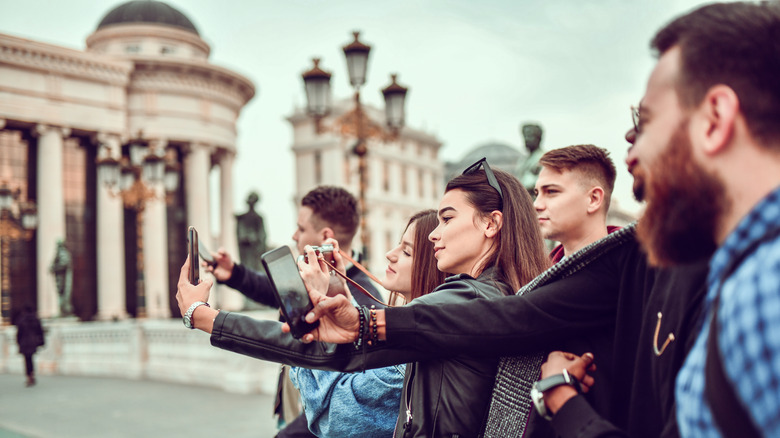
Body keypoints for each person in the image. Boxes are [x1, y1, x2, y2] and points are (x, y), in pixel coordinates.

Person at [177, 158, 551, 437]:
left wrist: (204, 315)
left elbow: (335, 392)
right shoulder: (501, 295)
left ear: (491, 223)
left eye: (447, 219)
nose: (435, 235)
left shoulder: (464, 300)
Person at [205, 185, 383, 437]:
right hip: (293, 415)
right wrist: (234, 273)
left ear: (325, 236)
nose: (294, 236)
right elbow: (271, 290)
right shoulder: (313, 278)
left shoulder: (364, 300)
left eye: (301, 228)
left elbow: (349, 397)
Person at [288, 210, 446, 437]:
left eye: (407, 252)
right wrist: (336, 294)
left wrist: (312, 312)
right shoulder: (414, 329)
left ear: (433, 265)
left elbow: (335, 419)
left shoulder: (407, 354)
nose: (390, 254)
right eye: (398, 246)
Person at [534, 144, 619, 262]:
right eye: (536, 193)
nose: (536, 205)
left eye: (551, 191)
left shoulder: (638, 273)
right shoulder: (542, 274)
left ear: (593, 199)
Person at [15, 306, 44, 387]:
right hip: (32, 342)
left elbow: (19, 334)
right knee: (31, 359)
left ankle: (29, 377)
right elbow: (40, 332)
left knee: (27, 360)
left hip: (24, 343)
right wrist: (41, 342)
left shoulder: (21, 320)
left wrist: (18, 342)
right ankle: (32, 374)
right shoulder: (35, 320)